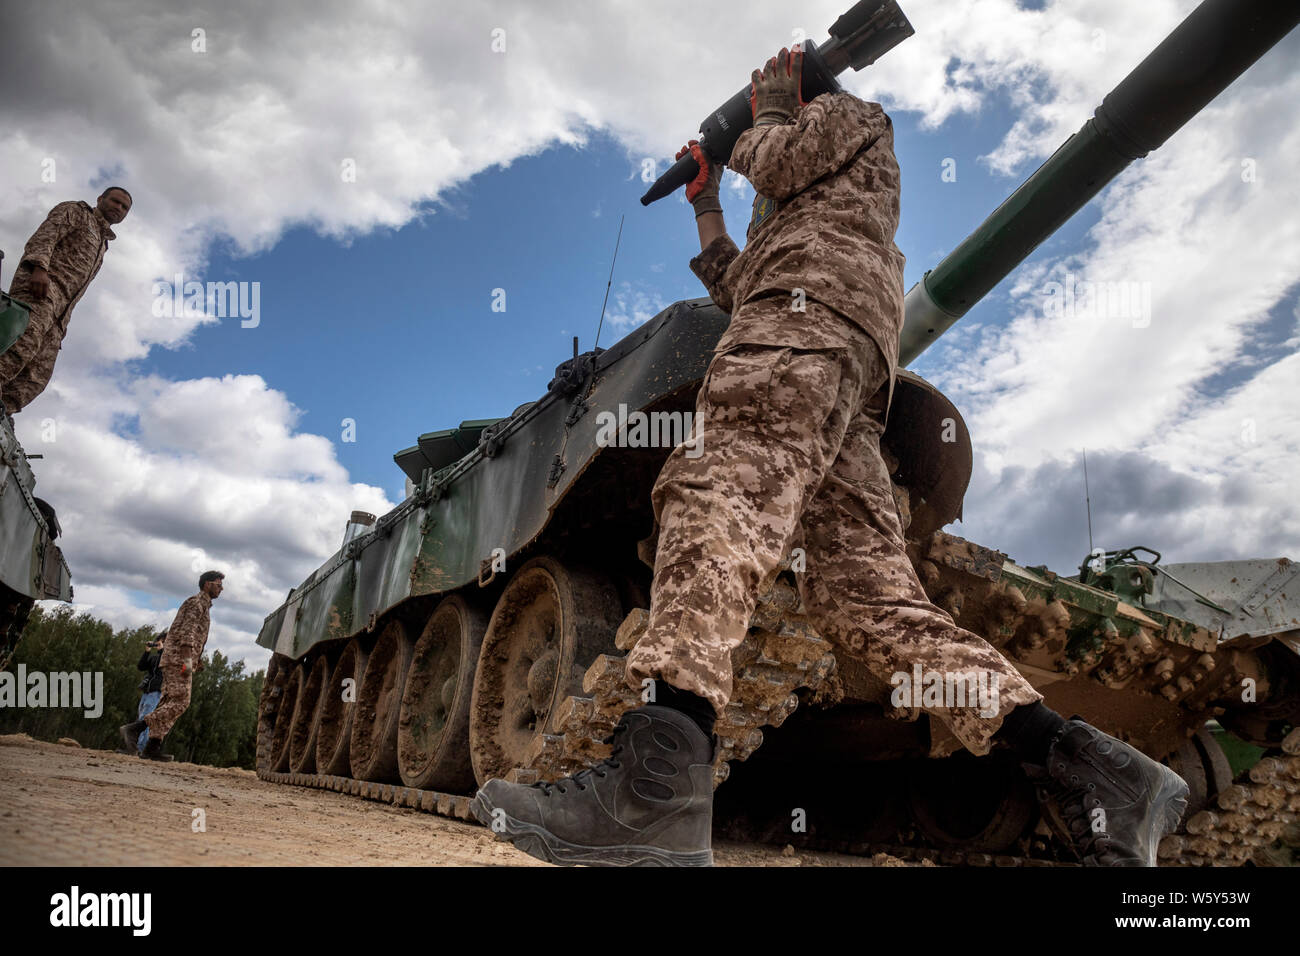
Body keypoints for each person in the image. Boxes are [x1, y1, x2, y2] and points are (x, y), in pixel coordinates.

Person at [473, 48, 1188, 867]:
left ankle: (653, 797)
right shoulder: (806, 203)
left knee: (714, 488)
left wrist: (768, 107)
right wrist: (706, 201)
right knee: (867, 602)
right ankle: (1094, 770)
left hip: (803, 335)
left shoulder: (850, 118)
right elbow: (736, 280)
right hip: (830, 362)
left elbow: (777, 154)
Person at [0, 186, 131, 414]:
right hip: (41, 291)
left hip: (60, 314)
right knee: (19, 347)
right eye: (115, 202)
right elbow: (46, 236)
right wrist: (39, 268)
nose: (118, 208)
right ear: (100, 199)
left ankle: (4, 412)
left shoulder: (103, 243)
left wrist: (64, 321)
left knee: (37, 374)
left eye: (124, 207)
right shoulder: (77, 212)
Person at [119, 571, 223, 761]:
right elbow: (187, 632)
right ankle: (135, 729)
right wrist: (186, 661)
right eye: (218, 584)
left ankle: (152, 746)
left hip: (179, 658)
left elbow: (194, 635)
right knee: (181, 701)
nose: (221, 588)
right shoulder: (196, 603)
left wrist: (196, 661)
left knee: (168, 702)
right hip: (178, 659)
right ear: (207, 584)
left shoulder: (204, 606)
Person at [131, 632, 166, 754]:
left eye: (161, 642)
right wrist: (146, 652)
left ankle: (140, 748)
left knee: (146, 719)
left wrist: (162, 651)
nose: (158, 644)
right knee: (141, 718)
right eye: (158, 641)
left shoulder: (167, 658)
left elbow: (163, 666)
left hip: (156, 692)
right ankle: (138, 746)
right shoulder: (154, 658)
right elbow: (141, 666)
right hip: (147, 692)